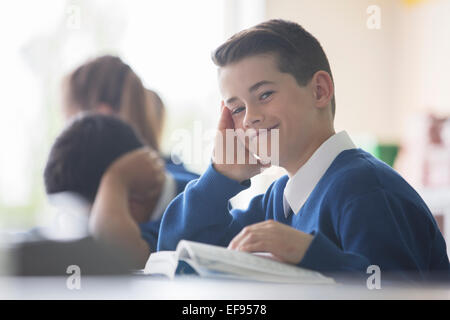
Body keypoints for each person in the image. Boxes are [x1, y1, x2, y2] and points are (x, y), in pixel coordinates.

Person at [151, 19, 449, 281]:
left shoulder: (365, 189)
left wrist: (307, 251)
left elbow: (394, 290)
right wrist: (221, 177)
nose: (250, 116)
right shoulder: (279, 200)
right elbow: (179, 250)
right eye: (237, 108)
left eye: (265, 94)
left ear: (319, 90)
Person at [44, 114, 166, 268]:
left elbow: (116, 254)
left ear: (133, 198)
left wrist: (116, 178)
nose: (93, 229)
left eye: (94, 216)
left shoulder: (184, 214)